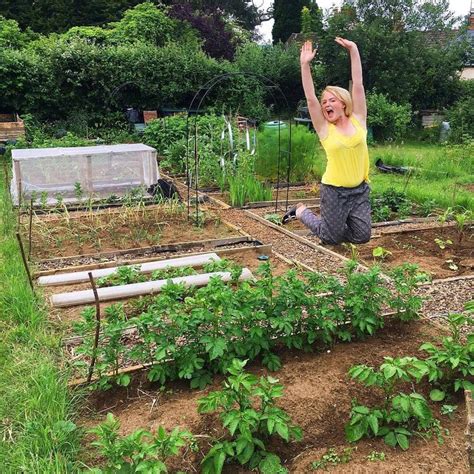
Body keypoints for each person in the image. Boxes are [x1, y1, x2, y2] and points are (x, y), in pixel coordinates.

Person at [283, 37, 371, 245]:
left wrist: (354, 50)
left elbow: (357, 84)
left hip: (359, 190)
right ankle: (301, 211)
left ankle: (334, 227)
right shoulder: (325, 129)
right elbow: (311, 98)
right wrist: (304, 65)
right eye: (325, 102)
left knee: (362, 236)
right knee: (331, 238)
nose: (326, 105)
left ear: (343, 103)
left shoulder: (359, 120)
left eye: (332, 100)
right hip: (333, 190)